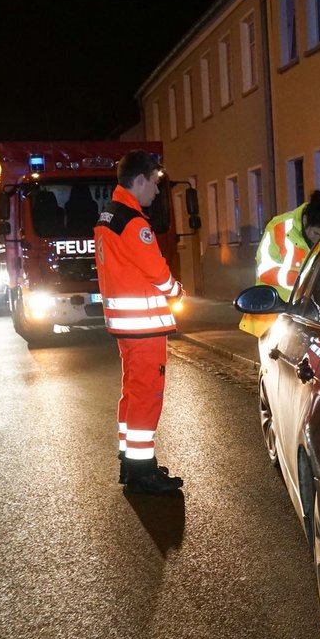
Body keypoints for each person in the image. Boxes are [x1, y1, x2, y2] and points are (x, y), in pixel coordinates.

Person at [95, 150, 184, 495]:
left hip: (125, 325)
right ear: (141, 180)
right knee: (147, 395)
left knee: (132, 393)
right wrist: (177, 290)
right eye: (155, 183)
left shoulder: (108, 216)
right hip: (144, 326)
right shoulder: (133, 222)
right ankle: (142, 471)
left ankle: (131, 463)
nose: (157, 192)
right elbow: (158, 273)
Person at [241, 191, 320, 337]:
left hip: (306, 314)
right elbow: (265, 269)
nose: (317, 239)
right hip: (273, 312)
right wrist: (307, 282)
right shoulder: (278, 227)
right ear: (305, 221)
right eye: (316, 233)